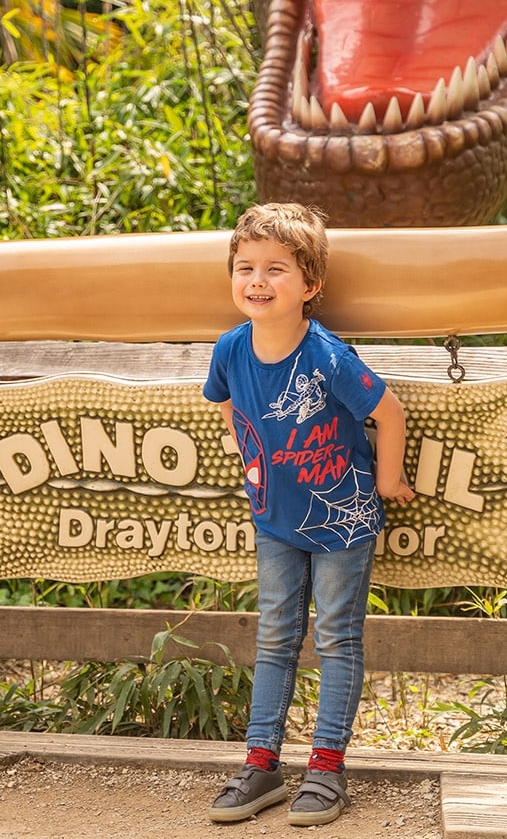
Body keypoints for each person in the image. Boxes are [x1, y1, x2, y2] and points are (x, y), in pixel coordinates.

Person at [204, 203, 415, 827]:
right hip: (275, 520)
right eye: (245, 268)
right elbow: (228, 407)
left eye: (276, 268)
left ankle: (325, 768)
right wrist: (253, 463)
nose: (258, 281)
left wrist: (388, 478)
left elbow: (390, 413)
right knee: (274, 637)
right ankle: (262, 763)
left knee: (337, 637)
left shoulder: (327, 358)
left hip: (343, 518)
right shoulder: (230, 349)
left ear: (311, 285)